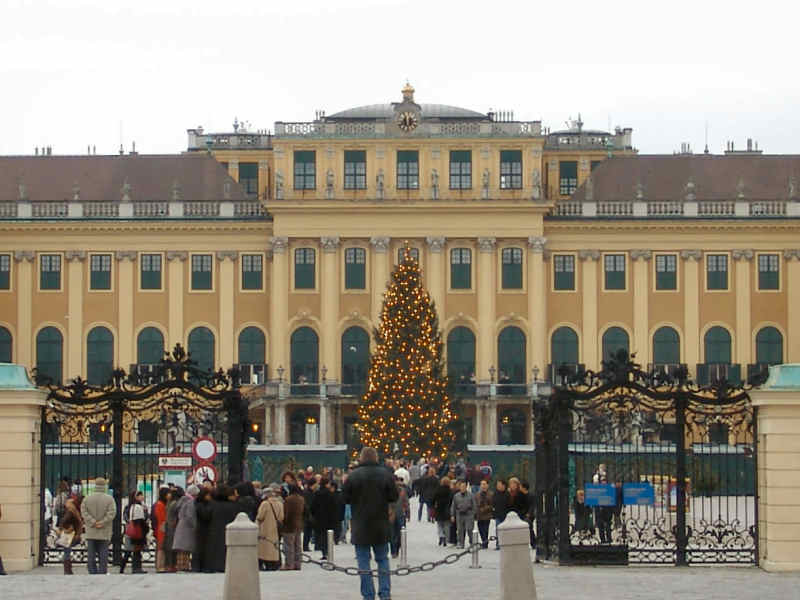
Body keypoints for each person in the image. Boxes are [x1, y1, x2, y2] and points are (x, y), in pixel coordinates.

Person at [342, 446, 398, 600]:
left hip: (360, 525)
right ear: (376, 458)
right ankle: (385, 593)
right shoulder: (385, 475)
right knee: (382, 560)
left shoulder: (353, 476)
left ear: (361, 458)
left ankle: (368, 595)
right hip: (380, 524)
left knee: (363, 562)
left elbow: (345, 498)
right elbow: (394, 496)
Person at [196, 484, 241, 572]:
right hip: (229, 534)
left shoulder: (213, 505)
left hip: (214, 533)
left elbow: (205, 516)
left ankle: (213, 567)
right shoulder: (234, 506)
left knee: (214, 552)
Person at [80, 477, 116, 575]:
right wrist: (102, 522)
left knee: (91, 553)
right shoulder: (109, 499)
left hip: (91, 530)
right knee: (103, 553)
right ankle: (102, 571)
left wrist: (93, 522)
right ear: (105, 486)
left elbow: (84, 512)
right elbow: (112, 513)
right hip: (104, 530)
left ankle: (92, 571)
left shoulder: (87, 498)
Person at [256, 483, 284, 571]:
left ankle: (265, 563)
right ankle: (274, 563)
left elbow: (260, 517)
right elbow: (281, 517)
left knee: (265, 548)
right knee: (274, 547)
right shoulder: (280, 503)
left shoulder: (265, 504)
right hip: (275, 529)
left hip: (265, 529)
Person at [120, 490, 148, 574]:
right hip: (137, 530)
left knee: (128, 551)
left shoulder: (131, 506)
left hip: (130, 530)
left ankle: (123, 568)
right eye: (140, 495)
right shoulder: (138, 507)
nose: (142, 497)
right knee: (135, 550)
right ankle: (136, 568)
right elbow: (141, 520)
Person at [172, 484, 199, 572]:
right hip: (187, 528)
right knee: (186, 549)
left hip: (180, 526)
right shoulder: (190, 502)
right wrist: (195, 526)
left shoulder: (182, 501)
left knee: (180, 549)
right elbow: (190, 516)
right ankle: (185, 566)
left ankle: (179, 565)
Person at [311, 477, 338, 560]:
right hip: (329, 518)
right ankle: (328, 552)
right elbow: (334, 506)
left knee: (321, 535)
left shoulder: (317, 493)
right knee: (328, 536)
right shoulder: (330, 494)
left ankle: (323, 552)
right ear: (327, 484)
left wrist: (314, 515)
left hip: (319, 518)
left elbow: (313, 506)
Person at [57, 496, 83, 575]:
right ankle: (67, 569)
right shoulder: (72, 511)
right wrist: (68, 528)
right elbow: (63, 521)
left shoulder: (72, 510)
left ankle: (68, 569)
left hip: (70, 534)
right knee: (67, 551)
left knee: (67, 551)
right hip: (69, 534)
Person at [280, 484, 304, 570]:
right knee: (297, 545)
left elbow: (287, 513)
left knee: (289, 545)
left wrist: (283, 522)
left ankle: (289, 564)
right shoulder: (301, 499)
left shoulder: (288, 499)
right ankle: (298, 564)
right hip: (298, 524)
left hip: (289, 525)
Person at [450, 479, 477, 549]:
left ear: (466, 487)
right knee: (460, 530)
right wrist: (452, 515)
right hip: (459, 514)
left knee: (469, 529)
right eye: (461, 487)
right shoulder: (456, 496)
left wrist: (474, 514)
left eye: (464, 487)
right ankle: (460, 543)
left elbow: (474, 505)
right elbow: (453, 506)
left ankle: (472, 543)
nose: (463, 488)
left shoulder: (471, 495)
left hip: (469, 514)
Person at [192, 487, 213, 572]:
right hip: (201, 529)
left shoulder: (199, 503)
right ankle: (198, 566)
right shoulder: (200, 505)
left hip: (203, 529)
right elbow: (205, 515)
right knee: (200, 548)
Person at [164, 486, 184, 572]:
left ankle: (169, 564)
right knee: (172, 546)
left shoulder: (169, 502)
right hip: (173, 526)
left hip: (169, 525)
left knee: (169, 546)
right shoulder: (176, 503)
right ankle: (172, 565)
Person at [389, 476, 409, 557]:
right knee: (398, 532)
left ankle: (394, 551)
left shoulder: (389, 491)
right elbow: (406, 502)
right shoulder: (402, 491)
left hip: (392, 514)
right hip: (400, 513)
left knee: (393, 533)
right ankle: (396, 549)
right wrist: (407, 512)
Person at [432, 476, 453, 547]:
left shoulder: (438, 490)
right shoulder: (450, 491)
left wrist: (433, 505)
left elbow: (433, 499)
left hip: (439, 509)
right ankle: (446, 539)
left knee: (439, 524)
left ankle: (441, 535)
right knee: (447, 525)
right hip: (447, 509)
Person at [153, 487, 170, 572]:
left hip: (161, 526)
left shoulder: (161, 504)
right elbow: (162, 517)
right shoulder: (160, 504)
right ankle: (160, 566)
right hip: (162, 527)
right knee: (161, 547)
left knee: (162, 547)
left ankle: (161, 565)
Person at [492, 478, 510, 550]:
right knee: (498, 530)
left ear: (504, 485)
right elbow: (493, 504)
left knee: (506, 531)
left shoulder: (507, 494)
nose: (498, 486)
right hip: (498, 515)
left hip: (506, 516)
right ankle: (498, 544)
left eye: (499, 484)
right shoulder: (495, 493)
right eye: (497, 485)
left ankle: (506, 543)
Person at [475, 479, 493, 549]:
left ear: (487, 485)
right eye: (482, 484)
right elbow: (475, 504)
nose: (483, 486)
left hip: (487, 515)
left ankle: (485, 543)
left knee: (485, 529)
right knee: (480, 529)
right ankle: (484, 541)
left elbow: (492, 505)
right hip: (479, 515)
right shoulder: (477, 494)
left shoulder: (491, 494)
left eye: (484, 484)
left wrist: (485, 508)